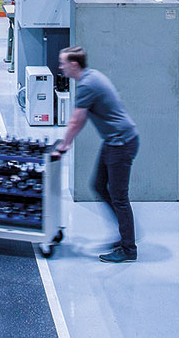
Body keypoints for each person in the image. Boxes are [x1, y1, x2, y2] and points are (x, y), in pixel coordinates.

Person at [53, 46, 139, 262]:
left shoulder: (87, 85)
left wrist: (63, 146)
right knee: (99, 185)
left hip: (121, 142)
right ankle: (125, 233)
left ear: (74, 64)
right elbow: (80, 119)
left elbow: (76, 121)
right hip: (113, 141)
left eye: (63, 63)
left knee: (119, 197)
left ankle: (129, 248)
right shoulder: (90, 77)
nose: (61, 67)